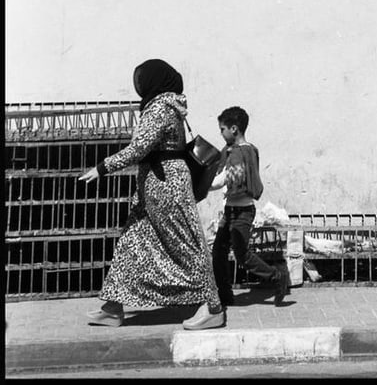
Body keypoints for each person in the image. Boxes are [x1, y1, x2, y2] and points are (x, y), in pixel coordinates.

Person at [78, 59, 225, 331]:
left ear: (154, 81)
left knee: (186, 245)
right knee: (131, 244)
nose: (138, 85)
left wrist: (102, 167)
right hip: (153, 189)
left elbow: (139, 149)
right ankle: (113, 307)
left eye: (141, 79)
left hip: (167, 187)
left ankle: (213, 307)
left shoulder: (160, 107)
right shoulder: (162, 105)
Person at [210, 106, 290, 307]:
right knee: (219, 253)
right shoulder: (246, 150)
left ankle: (276, 276)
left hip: (242, 212)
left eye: (222, 129)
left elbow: (226, 178)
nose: (221, 134)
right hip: (230, 211)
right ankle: (225, 295)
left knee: (242, 255)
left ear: (234, 129)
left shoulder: (240, 153)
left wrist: (203, 186)